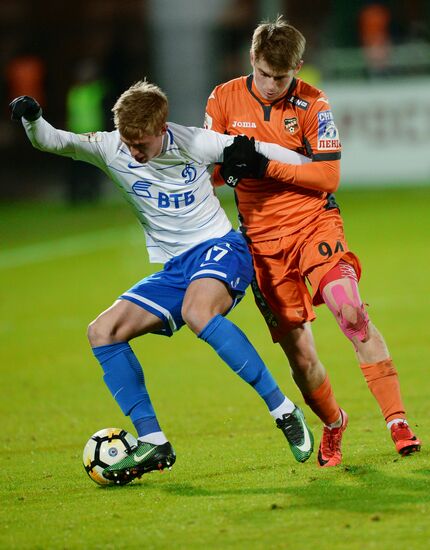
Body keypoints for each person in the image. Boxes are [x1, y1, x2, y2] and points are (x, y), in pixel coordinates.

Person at [10, 80, 314, 484]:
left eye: (142, 145)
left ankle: (284, 411)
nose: (134, 152)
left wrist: (309, 165)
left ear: (161, 128)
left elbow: (263, 151)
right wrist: (32, 118)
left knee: (197, 312)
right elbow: (53, 140)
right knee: (102, 332)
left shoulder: (194, 143)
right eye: (128, 142)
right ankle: (153, 441)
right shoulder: (109, 146)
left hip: (221, 248)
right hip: (175, 269)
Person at [205, 16, 421, 467]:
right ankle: (334, 422)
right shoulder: (223, 99)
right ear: (252, 60)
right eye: (263, 73)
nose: (269, 85)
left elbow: (327, 176)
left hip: (313, 226)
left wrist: (264, 165)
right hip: (262, 244)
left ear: (298, 68)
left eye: (280, 77)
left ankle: (397, 421)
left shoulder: (313, 105)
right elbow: (209, 176)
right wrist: (227, 168)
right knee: (301, 357)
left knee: (351, 311)